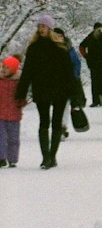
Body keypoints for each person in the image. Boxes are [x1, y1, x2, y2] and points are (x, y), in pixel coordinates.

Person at [15, 15, 76, 168]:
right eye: (39, 26)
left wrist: (73, 93)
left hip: (60, 90)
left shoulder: (60, 48)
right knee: (44, 122)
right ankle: (45, 157)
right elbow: (27, 72)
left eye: (44, 26)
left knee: (56, 123)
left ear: (50, 28)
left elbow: (69, 72)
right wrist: (21, 93)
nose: (41, 29)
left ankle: (52, 156)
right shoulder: (33, 48)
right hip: (41, 89)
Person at [0, 55, 26, 168]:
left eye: (7, 68)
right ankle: (1, 158)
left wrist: (21, 102)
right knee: (1, 137)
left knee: (13, 138)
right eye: (3, 67)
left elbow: (22, 96)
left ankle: (13, 158)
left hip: (14, 115)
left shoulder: (18, 82)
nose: (4, 70)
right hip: (1, 114)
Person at [79, 22, 102, 107]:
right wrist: (86, 56)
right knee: (96, 82)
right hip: (94, 63)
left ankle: (99, 100)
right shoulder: (90, 37)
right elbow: (81, 46)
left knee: (98, 82)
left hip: (100, 63)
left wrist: (86, 56)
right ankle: (97, 100)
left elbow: (81, 47)